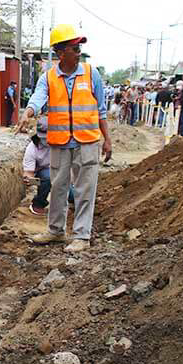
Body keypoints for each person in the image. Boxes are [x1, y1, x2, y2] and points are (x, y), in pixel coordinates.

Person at [17, 24, 112, 253]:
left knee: (84, 189)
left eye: (79, 47)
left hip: (87, 141)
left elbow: (101, 110)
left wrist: (107, 139)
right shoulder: (48, 77)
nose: (79, 51)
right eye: (74, 47)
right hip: (59, 142)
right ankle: (56, 231)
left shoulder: (91, 74)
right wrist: (28, 112)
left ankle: (82, 235)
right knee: (58, 186)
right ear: (61, 53)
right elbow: (39, 97)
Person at [23, 117, 74, 215]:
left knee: (73, 196)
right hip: (43, 173)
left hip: (61, 171)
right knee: (48, 175)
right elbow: (29, 172)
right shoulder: (32, 149)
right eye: (43, 137)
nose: (45, 140)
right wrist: (28, 179)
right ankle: (38, 204)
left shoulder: (62, 144)